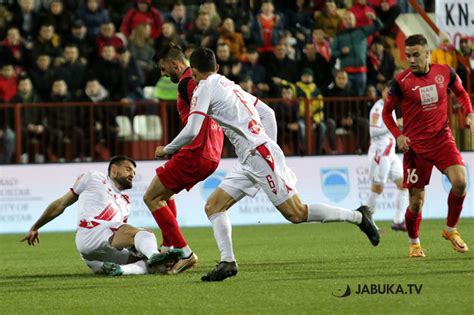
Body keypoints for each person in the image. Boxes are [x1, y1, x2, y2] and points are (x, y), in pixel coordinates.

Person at [155, 47, 380, 281]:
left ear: (192, 71)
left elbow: (192, 129)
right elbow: (269, 113)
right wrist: (266, 146)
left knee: (296, 213)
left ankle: (359, 216)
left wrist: (167, 149)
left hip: (258, 156)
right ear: (217, 68)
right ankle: (227, 262)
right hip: (252, 157)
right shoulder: (229, 84)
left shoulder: (203, 87)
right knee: (214, 206)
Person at [382, 34, 474, 257]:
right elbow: (386, 113)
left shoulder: (444, 72)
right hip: (415, 147)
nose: (411, 60)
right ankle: (414, 243)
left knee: (460, 182)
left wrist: (469, 114)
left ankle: (450, 230)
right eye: (408, 56)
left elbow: (461, 93)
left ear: (427, 54)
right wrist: (398, 135)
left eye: (416, 55)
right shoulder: (401, 82)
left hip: (442, 140)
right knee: (416, 202)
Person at [21, 156, 184, 276]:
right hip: (90, 233)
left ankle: (122, 270)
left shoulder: (126, 202)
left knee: (158, 266)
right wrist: (36, 226)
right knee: (146, 234)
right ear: (114, 169)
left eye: (134, 172)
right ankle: (154, 255)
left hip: (97, 253)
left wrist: (139, 250)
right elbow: (61, 204)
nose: (132, 174)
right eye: (128, 169)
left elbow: (122, 236)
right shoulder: (94, 178)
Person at [142, 43, 224, 274]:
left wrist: (169, 148)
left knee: (151, 197)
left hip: (196, 151)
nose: (163, 73)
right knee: (163, 195)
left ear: (174, 64)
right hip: (212, 153)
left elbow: (195, 124)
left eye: (163, 68)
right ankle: (168, 247)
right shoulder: (207, 83)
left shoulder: (188, 83)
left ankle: (184, 252)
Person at [367, 82, 407, 231]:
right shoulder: (377, 109)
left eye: (392, 91)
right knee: (377, 187)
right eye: (387, 91)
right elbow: (373, 132)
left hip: (390, 152)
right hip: (380, 152)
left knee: (404, 183)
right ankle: (368, 222)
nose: (389, 94)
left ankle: (398, 220)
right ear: (382, 92)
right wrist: (395, 124)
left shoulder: (390, 107)